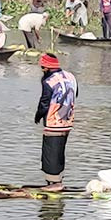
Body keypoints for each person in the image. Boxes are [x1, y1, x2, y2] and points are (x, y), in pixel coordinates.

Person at [34, 53, 77, 191]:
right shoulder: (71, 76)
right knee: (60, 151)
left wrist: (38, 116)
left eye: (42, 67)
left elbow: (44, 103)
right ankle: (59, 179)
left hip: (54, 121)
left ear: (46, 68)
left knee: (50, 152)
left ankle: (53, 184)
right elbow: (75, 94)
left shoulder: (49, 81)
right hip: (68, 120)